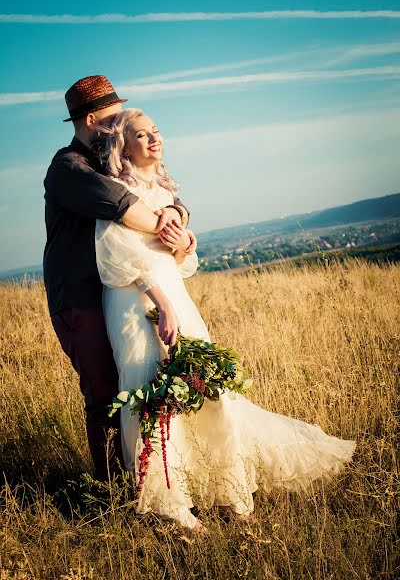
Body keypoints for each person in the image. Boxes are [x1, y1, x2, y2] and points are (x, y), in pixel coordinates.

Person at [94, 108, 356, 534]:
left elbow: (182, 263)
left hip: (174, 294)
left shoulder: (163, 193)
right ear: (124, 147)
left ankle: (228, 489)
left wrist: (180, 247)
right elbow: (116, 261)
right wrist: (163, 306)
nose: (154, 140)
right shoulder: (115, 194)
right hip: (135, 299)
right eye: (142, 136)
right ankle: (169, 504)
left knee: (203, 386)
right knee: (151, 389)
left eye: (156, 132)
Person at [43, 75, 194, 481]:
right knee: (105, 393)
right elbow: (125, 207)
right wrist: (168, 222)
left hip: (119, 293)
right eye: (114, 119)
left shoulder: (113, 161)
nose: (122, 125)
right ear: (92, 120)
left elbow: (167, 195)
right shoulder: (69, 168)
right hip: (80, 298)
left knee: (145, 382)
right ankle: (116, 490)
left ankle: (160, 475)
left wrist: (178, 216)